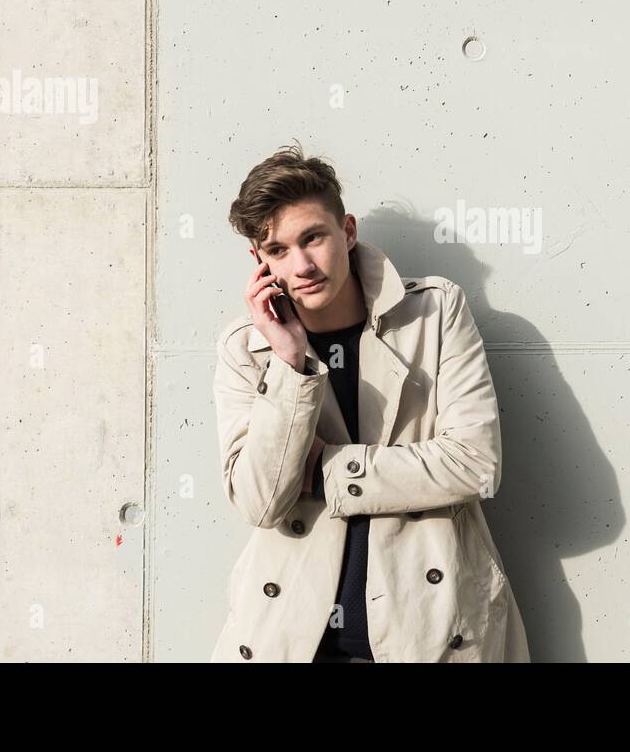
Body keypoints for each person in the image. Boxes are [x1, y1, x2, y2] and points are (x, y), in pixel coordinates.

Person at [210, 143, 530, 662]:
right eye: (278, 250)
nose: (303, 264)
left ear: (348, 231)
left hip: (428, 630)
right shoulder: (246, 348)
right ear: (259, 261)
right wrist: (290, 365)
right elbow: (259, 503)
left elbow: (475, 463)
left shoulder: (434, 313)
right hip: (294, 639)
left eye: (313, 237)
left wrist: (328, 472)